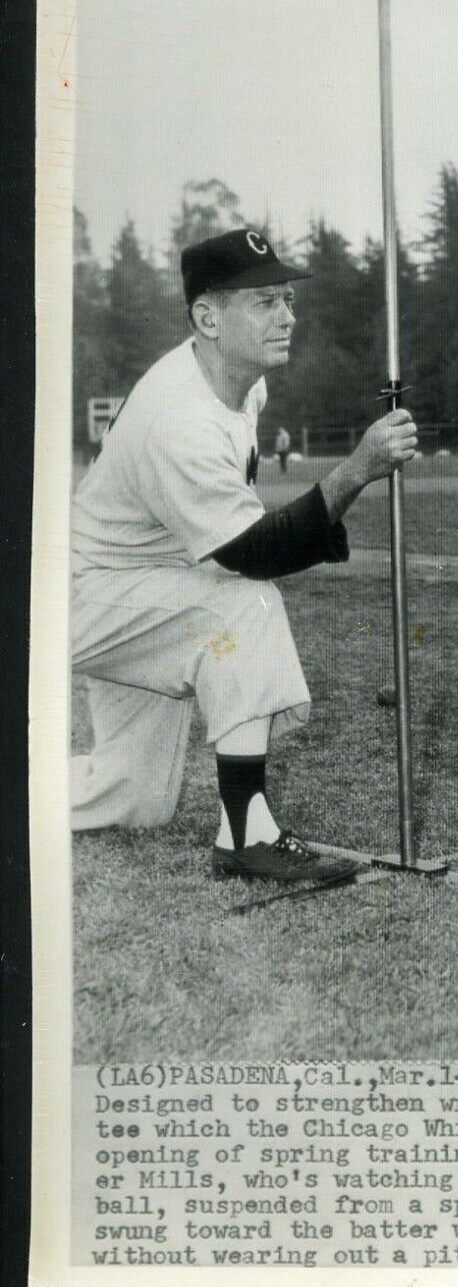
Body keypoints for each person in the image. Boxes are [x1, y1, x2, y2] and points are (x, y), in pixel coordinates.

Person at [70, 227, 420, 881]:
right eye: (264, 302)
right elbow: (250, 552)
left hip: (149, 581)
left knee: (135, 798)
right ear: (207, 317)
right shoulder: (178, 417)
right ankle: (245, 832)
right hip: (89, 593)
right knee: (244, 603)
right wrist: (357, 469)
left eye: (287, 299)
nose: (288, 316)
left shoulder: (243, 382)